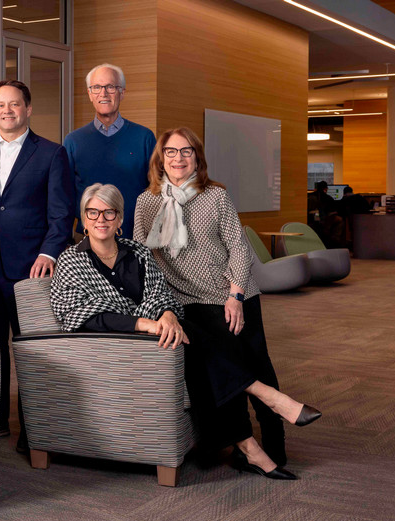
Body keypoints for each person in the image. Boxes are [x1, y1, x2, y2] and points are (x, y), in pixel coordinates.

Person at [133, 127, 322, 480]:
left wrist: (234, 296)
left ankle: (275, 447)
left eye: (186, 152)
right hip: (189, 299)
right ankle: (247, 449)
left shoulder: (215, 196)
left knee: (257, 365)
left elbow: (238, 246)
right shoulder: (147, 202)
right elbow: (143, 256)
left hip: (236, 292)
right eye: (171, 152)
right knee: (225, 370)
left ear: (197, 158)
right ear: (160, 158)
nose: (178, 158)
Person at [0, 79, 74, 447]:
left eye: (15, 104)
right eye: (0, 105)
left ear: (28, 109)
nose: (7, 110)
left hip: (31, 268)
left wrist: (48, 253)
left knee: (30, 346)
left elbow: (61, 214)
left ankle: (34, 425)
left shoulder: (52, 154)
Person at [50, 184, 188, 351]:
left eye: (109, 212)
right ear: (84, 219)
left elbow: (161, 295)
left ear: (119, 219)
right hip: (105, 345)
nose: (100, 219)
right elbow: (81, 316)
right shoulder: (70, 261)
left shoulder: (139, 252)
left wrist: (168, 315)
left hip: (155, 336)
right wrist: (144, 324)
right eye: (93, 213)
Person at [63, 63, 156, 239]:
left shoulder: (145, 138)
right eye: (96, 87)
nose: (103, 93)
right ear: (90, 94)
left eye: (110, 87)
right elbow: (64, 196)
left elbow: (156, 189)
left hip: (136, 238)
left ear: (122, 93)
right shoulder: (73, 141)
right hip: (88, 238)